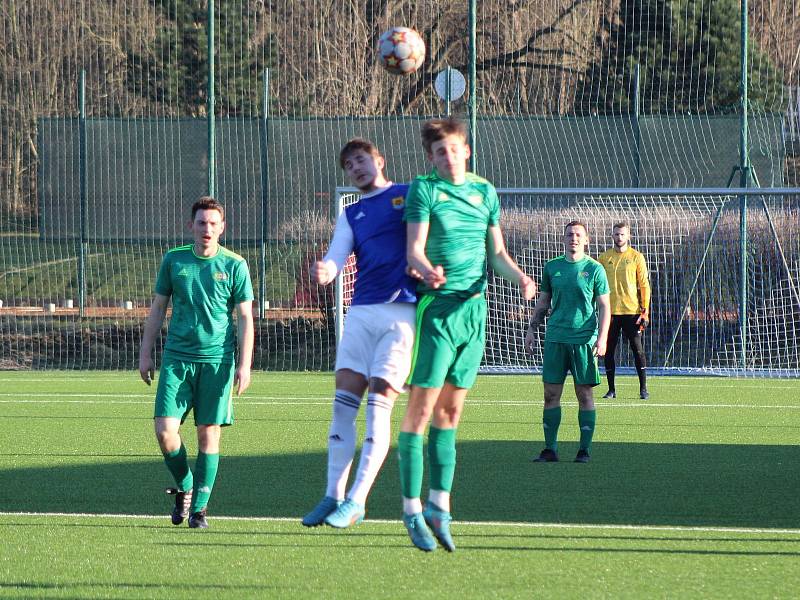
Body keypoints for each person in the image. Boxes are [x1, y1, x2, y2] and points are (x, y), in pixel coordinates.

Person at [400, 118, 536, 552]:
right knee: (419, 414)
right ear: (431, 158)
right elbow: (413, 249)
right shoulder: (425, 190)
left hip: (473, 313)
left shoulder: (485, 191)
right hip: (436, 311)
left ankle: (440, 507)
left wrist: (521, 279)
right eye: (440, 151)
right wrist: (425, 269)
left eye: (454, 149)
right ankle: (411, 510)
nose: (448, 156)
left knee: (450, 415)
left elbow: (496, 253)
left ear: (467, 150)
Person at [302, 138, 417, 529]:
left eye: (362, 160)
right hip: (361, 313)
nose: (357, 168)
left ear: (380, 160)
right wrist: (327, 270)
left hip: (401, 313)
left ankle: (357, 499)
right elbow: (337, 254)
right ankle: (332, 495)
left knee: (378, 407)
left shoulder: (408, 195)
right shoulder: (351, 214)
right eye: (349, 165)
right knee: (341, 405)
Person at [139, 196, 254, 529]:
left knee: (208, 435)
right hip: (177, 359)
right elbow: (157, 309)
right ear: (191, 225)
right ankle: (185, 485)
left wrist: (245, 364)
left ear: (222, 228)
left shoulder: (235, 265)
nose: (207, 229)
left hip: (217, 362)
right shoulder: (174, 260)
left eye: (213, 223)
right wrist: (145, 353)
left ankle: (199, 510)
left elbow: (245, 317)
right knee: (164, 431)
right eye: (201, 222)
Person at [525, 221, 610, 464]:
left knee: (584, 395)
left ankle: (584, 450)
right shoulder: (552, 267)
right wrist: (531, 330)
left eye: (578, 235)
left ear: (586, 240)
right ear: (563, 239)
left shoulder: (595, 269)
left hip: (584, 339)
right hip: (555, 338)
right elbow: (543, 303)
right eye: (570, 234)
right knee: (550, 394)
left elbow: (605, 306)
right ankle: (550, 449)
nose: (573, 238)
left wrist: (602, 337)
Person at [597, 222, 651, 400]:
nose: (619, 237)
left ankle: (643, 389)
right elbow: (597, 284)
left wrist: (645, 310)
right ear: (612, 236)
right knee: (609, 351)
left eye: (622, 234)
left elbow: (644, 284)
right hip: (610, 313)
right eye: (616, 234)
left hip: (632, 312)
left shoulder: (636, 257)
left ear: (628, 236)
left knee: (638, 350)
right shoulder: (604, 258)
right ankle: (611, 390)